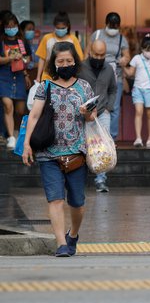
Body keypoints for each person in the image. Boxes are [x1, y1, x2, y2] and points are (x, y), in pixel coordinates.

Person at [21, 42, 96, 257]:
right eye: (60, 61)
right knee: (55, 199)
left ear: (75, 62)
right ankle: (62, 244)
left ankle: (73, 235)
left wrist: (86, 112)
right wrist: (27, 144)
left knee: (77, 203)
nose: (65, 64)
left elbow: (93, 117)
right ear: (54, 64)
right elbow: (34, 116)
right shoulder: (44, 87)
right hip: (48, 153)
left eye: (69, 61)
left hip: (76, 154)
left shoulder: (85, 87)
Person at [78, 39, 117, 192]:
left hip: (102, 113)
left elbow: (113, 89)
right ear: (90, 52)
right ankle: (79, 177)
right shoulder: (80, 67)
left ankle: (101, 180)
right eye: (96, 54)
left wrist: (109, 107)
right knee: (83, 145)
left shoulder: (108, 69)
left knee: (103, 146)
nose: (99, 57)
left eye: (102, 55)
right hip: (83, 113)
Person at [85, 12, 130, 140]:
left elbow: (127, 56)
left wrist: (124, 60)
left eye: (116, 27)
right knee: (92, 105)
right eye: (111, 26)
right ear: (106, 24)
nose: (113, 29)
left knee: (113, 107)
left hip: (116, 75)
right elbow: (86, 52)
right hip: (95, 73)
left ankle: (111, 137)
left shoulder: (122, 39)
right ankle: (93, 137)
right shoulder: (97, 34)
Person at [0, 13, 31, 150]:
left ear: (17, 26)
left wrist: (25, 69)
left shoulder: (21, 41)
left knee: (20, 110)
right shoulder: (1, 41)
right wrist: (10, 58)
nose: (11, 28)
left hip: (18, 76)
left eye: (13, 26)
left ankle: (16, 132)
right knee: (7, 105)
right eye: (8, 26)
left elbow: (28, 59)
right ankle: (11, 138)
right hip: (4, 76)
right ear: (4, 27)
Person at [35, 12, 84, 83]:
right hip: (48, 77)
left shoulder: (73, 39)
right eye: (58, 28)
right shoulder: (47, 38)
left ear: (68, 26)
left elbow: (79, 60)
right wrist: (38, 77)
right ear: (54, 26)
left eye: (63, 28)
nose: (60, 30)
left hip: (68, 78)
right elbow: (42, 59)